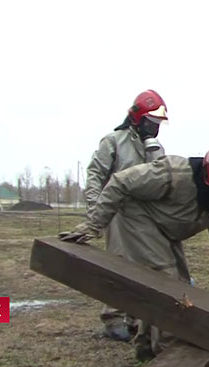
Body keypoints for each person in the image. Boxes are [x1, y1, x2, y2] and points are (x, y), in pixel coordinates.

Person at [62, 139, 209, 360]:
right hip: (137, 219)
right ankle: (168, 355)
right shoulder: (173, 174)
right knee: (168, 287)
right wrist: (94, 224)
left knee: (184, 288)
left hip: (166, 230)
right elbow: (120, 182)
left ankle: (146, 345)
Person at [84, 90, 169, 342]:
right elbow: (95, 176)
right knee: (118, 264)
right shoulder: (113, 141)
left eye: (158, 124)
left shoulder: (156, 148)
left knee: (144, 268)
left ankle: (135, 318)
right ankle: (112, 318)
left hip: (145, 216)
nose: (155, 128)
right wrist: (95, 214)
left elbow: (162, 179)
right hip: (118, 213)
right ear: (137, 118)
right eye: (151, 122)